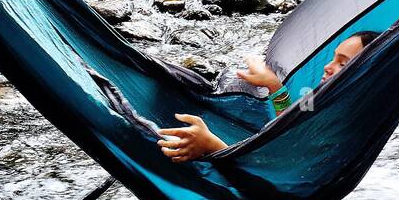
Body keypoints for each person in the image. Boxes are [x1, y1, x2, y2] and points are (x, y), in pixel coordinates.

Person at [158, 32, 378, 163]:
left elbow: (277, 170)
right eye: (333, 58)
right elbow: (291, 129)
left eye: (343, 63)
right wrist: (274, 86)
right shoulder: (326, 102)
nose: (328, 67)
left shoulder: (342, 126)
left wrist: (212, 145)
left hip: (267, 198)